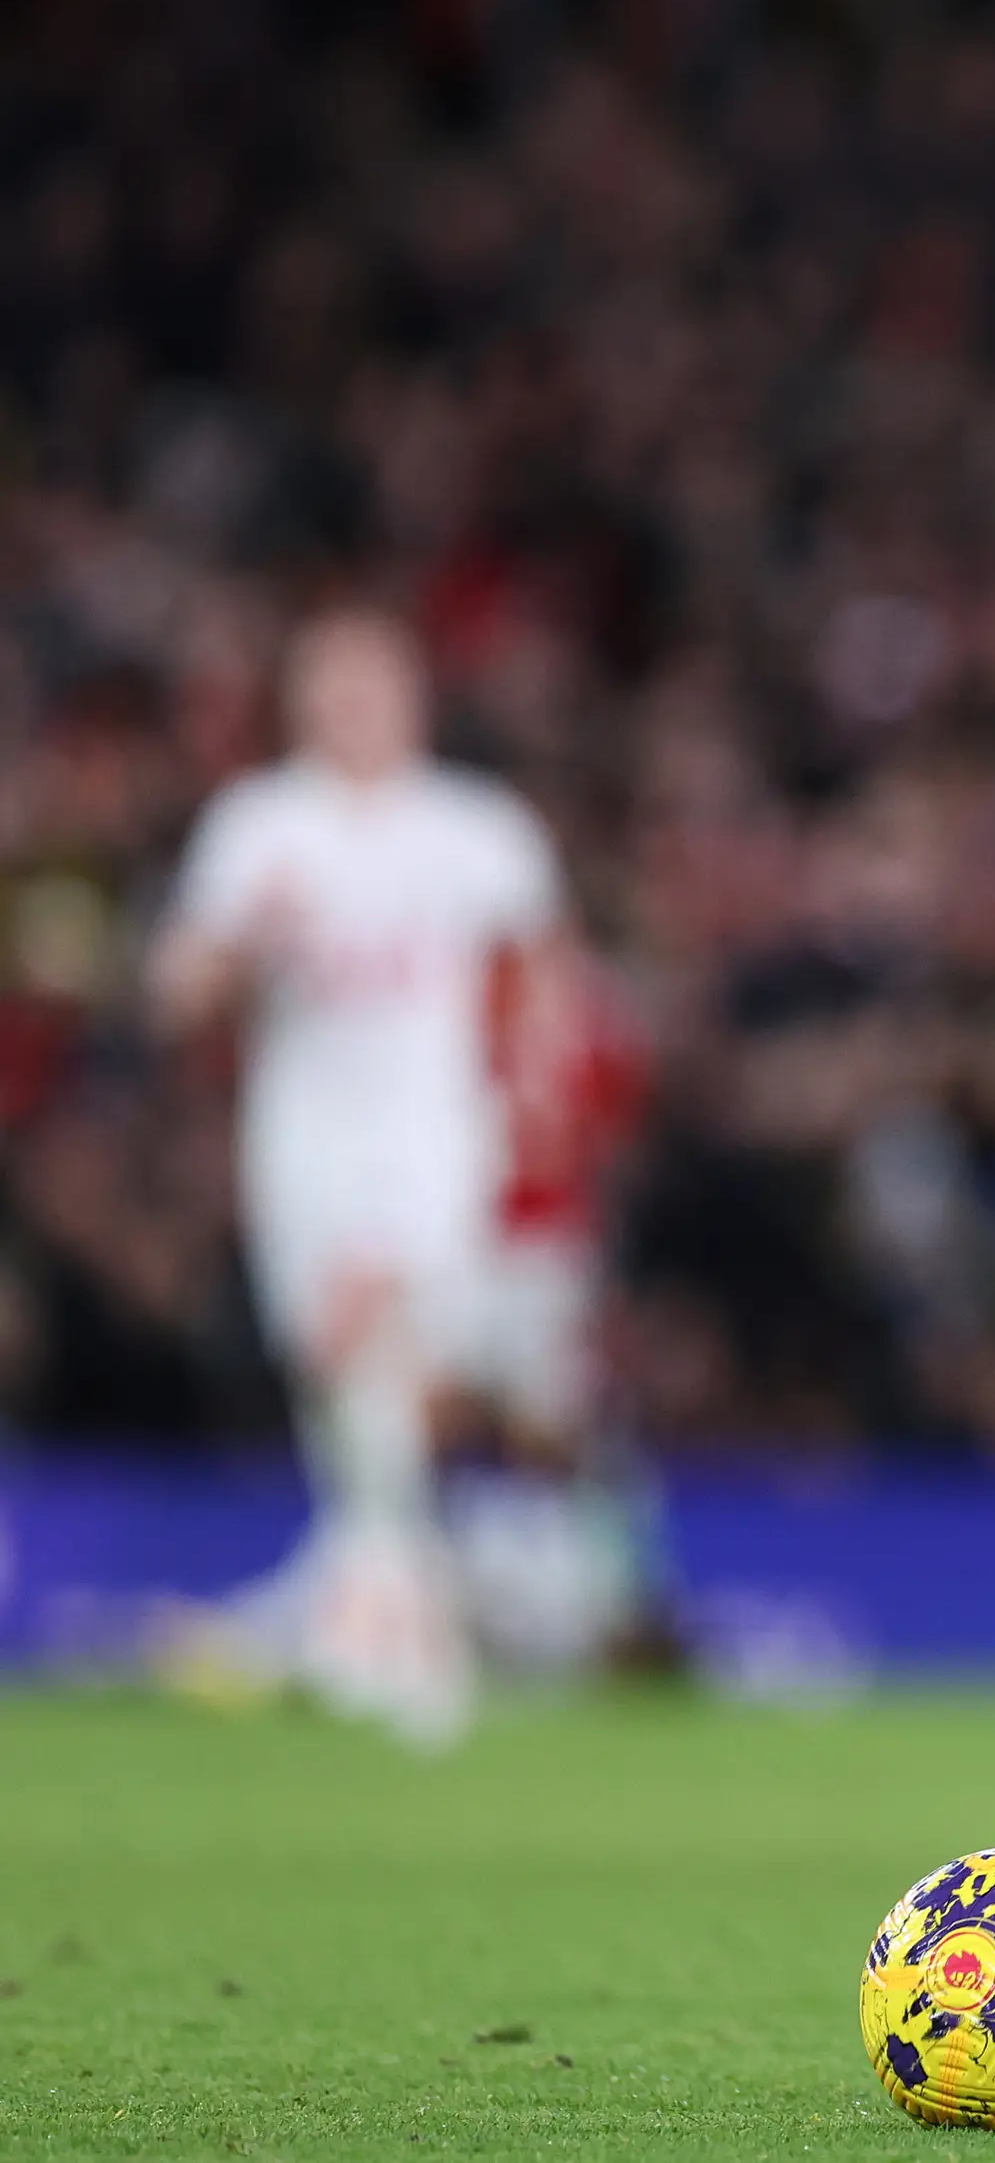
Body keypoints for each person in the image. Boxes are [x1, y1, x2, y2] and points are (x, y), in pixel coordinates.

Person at [148, 610, 580, 1744]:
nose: (351, 707)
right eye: (328, 687)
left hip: (435, 1133)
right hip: (303, 1139)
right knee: (340, 1376)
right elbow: (175, 988)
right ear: (299, 702)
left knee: (378, 1346)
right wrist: (242, 947)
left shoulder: (479, 830)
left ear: (413, 694)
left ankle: (397, 1631)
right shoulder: (260, 827)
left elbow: (545, 981)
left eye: (370, 685)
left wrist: (540, 1115)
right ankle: (381, 1605)